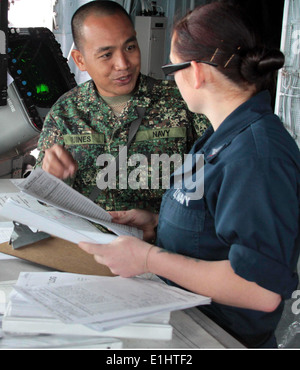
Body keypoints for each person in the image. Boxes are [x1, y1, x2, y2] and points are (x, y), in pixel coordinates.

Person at [78, 3, 300, 348]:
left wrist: (148, 258)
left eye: (171, 67)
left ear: (195, 72)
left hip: (222, 337)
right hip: (184, 316)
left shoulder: (257, 155)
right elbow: (209, 222)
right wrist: (155, 225)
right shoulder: (214, 140)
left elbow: (261, 290)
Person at [35, 0, 209, 212]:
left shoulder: (182, 102)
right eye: (106, 55)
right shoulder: (65, 114)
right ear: (80, 60)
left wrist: (158, 224)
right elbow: (41, 200)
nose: (123, 64)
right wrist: (51, 180)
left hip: (162, 240)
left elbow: (220, 182)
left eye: (130, 47)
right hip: (88, 240)